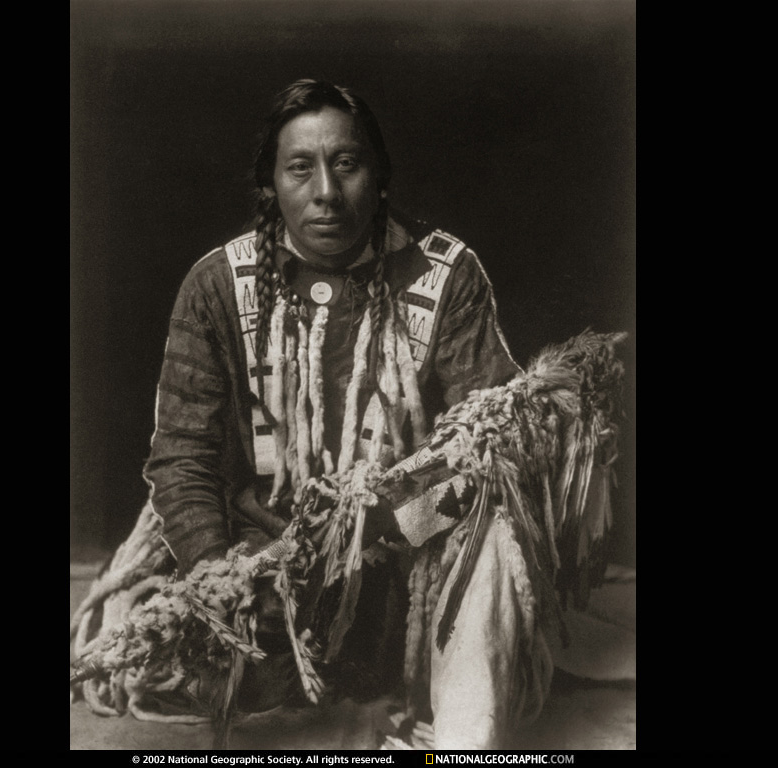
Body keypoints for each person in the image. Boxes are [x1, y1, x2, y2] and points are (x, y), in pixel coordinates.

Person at [141, 79, 553, 748]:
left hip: (409, 563)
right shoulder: (217, 286)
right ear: (270, 185)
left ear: (379, 178)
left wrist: (386, 522)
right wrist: (220, 578)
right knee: (245, 679)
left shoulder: (446, 274)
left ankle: (462, 743)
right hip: (265, 564)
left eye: (347, 163)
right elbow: (181, 459)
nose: (326, 191)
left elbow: (493, 446)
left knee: (494, 536)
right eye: (300, 168)